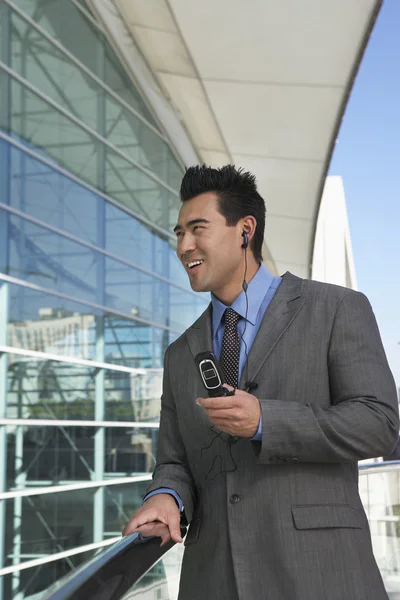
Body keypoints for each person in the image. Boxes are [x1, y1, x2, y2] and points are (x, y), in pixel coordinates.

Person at [123, 165, 399, 600]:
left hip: (320, 573)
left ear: (245, 231)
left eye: (197, 229)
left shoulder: (336, 309)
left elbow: (378, 423)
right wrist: (165, 496)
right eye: (179, 233)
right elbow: (174, 459)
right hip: (214, 579)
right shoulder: (180, 353)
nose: (183, 246)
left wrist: (266, 421)